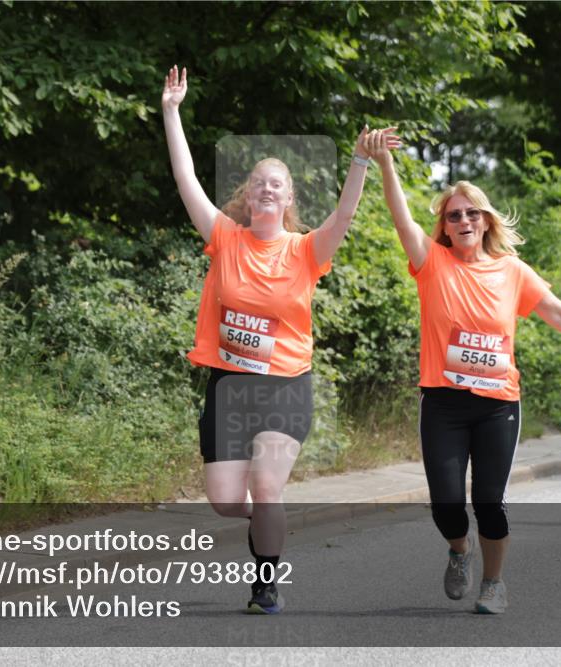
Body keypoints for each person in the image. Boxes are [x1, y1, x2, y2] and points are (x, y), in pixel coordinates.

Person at [366, 130, 561, 614]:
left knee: (489, 499)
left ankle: (494, 583)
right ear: (444, 227)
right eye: (454, 215)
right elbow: (400, 216)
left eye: (472, 212)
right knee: (446, 504)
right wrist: (385, 163)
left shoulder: (512, 271)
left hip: (497, 406)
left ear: (485, 219)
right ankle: (459, 549)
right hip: (443, 404)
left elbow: (556, 311)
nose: (464, 220)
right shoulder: (431, 262)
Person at [162, 65, 396, 614]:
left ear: (288, 197)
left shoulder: (306, 250)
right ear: (248, 193)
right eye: (259, 181)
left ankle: (266, 583)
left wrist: (360, 158)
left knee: (266, 486)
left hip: (285, 387)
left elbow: (345, 213)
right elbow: (185, 180)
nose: (267, 188)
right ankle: (272, 518)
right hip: (229, 387)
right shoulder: (224, 236)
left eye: (278, 183)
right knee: (225, 503)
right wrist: (172, 111)